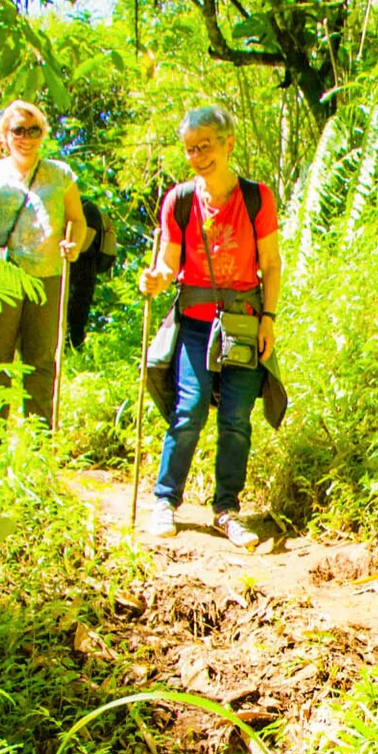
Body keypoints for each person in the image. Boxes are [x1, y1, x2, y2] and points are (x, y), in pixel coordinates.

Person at [137, 105, 284, 546]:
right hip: (196, 323)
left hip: (243, 322)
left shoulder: (257, 198)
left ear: (228, 144)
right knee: (190, 410)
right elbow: (168, 265)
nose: (198, 155)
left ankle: (227, 509)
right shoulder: (179, 201)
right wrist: (156, 280)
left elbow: (271, 265)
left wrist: (269, 320)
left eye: (205, 146)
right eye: (189, 148)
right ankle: (165, 500)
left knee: (237, 419)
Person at [0, 100, 86, 425]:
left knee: (41, 360)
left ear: (43, 134)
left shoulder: (59, 173)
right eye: (17, 130)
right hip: (0, 277)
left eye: (34, 130)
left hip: (47, 275)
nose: (25, 137)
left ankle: (38, 443)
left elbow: (77, 219)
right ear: (4, 134)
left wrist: (75, 244)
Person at [66, 198, 117, 350]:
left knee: (76, 317)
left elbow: (83, 244)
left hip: (83, 273)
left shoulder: (88, 210)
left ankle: (73, 351)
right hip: (80, 271)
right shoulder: (84, 209)